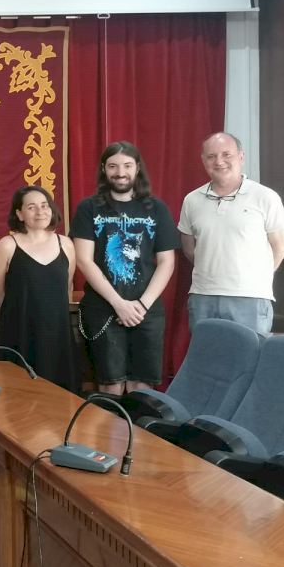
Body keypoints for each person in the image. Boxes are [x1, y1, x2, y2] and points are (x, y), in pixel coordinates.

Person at [71, 142, 178, 395]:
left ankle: (140, 425)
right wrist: (118, 304)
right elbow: (84, 260)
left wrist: (141, 305)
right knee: (110, 384)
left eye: (127, 166)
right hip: (103, 308)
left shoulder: (157, 208)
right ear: (104, 169)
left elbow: (167, 262)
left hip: (147, 309)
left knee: (142, 386)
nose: (120, 173)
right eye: (113, 166)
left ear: (137, 168)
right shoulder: (89, 208)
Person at [178, 133, 284, 337]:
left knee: (249, 356)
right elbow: (189, 249)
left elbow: (281, 247)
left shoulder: (266, 197)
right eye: (211, 156)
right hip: (203, 298)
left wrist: (254, 276)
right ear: (203, 161)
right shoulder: (191, 200)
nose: (219, 161)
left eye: (226, 154)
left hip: (250, 299)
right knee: (207, 355)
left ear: (241, 157)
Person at [0, 186, 78, 391]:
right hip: (19, 333)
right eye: (31, 207)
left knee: (60, 397)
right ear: (19, 214)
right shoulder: (7, 245)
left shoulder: (66, 244)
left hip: (58, 335)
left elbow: (68, 285)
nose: (40, 212)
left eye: (44, 206)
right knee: (18, 395)